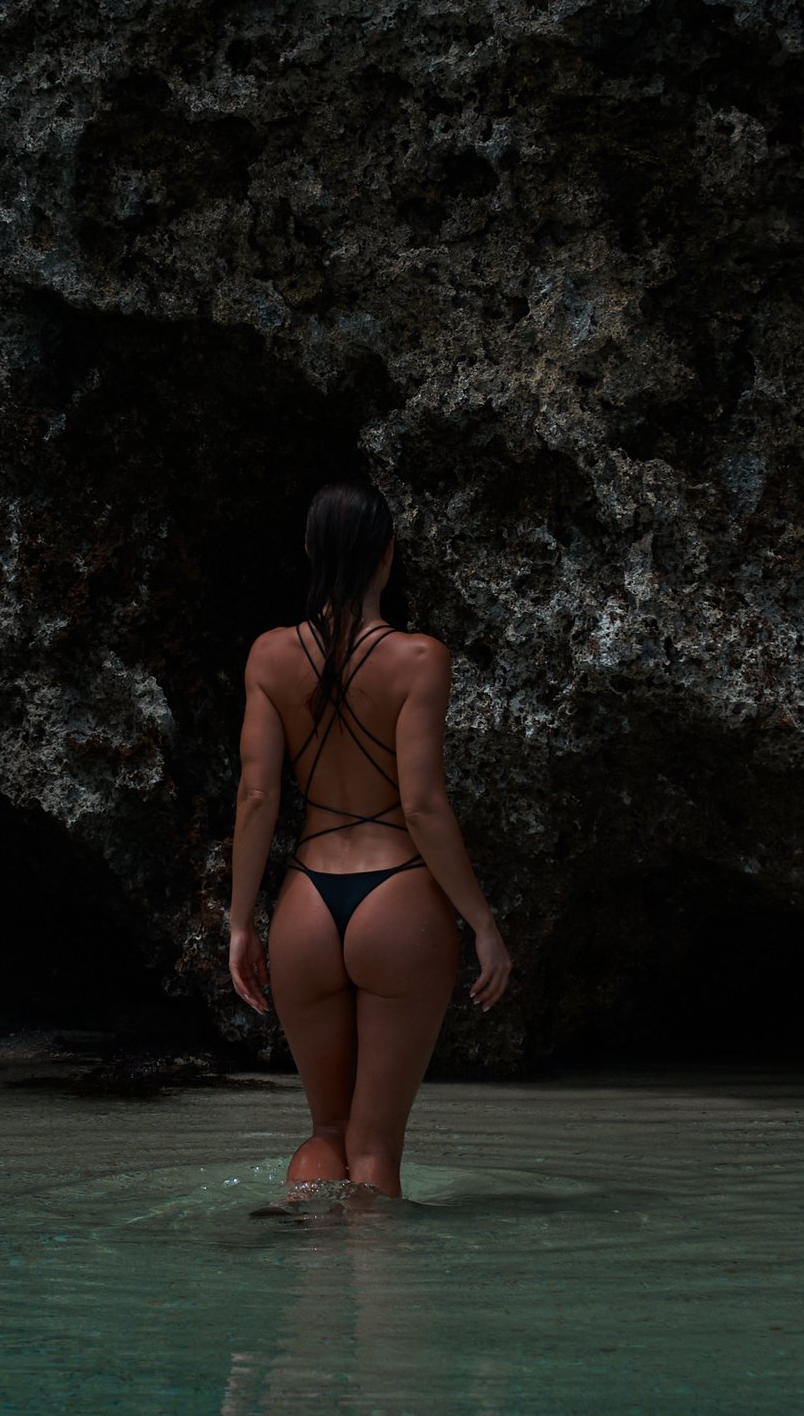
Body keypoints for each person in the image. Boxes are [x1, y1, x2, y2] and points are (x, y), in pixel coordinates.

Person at [227, 481, 512, 1200]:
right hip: (399, 896)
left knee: (327, 1131)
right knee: (375, 1145)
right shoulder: (419, 660)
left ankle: (312, 1303)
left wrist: (239, 923)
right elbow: (421, 804)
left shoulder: (269, 656)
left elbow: (257, 796)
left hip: (306, 905)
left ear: (308, 552)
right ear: (389, 555)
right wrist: (482, 923)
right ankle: (383, 1309)